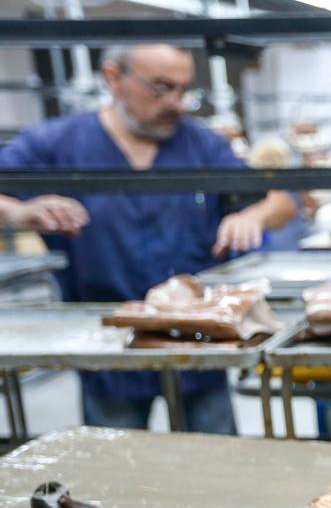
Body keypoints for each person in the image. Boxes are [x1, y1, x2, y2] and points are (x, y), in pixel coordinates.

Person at [0, 44, 295, 434]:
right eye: (160, 88)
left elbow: (282, 200)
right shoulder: (57, 144)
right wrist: (18, 213)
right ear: (113, 79)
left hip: (197, 342)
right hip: (109, 346)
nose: (175, 102)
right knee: (118, 468)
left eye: (182, 89)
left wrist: (251, 214)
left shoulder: (201, 146)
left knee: (213, 465)